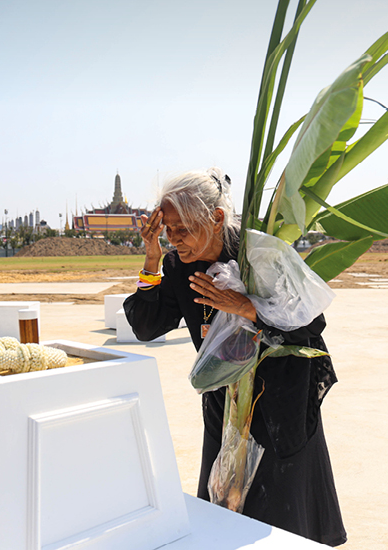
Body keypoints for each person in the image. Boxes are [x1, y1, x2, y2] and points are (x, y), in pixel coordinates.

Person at [124, 168, 346, 546]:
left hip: (280, 404)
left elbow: (312, 325)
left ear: (217, 218)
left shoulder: (259, 255)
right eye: (168, 230)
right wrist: (151, 261)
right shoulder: (179, 266)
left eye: (183, 228)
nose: (174, 239)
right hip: (224, 404)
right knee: (223, 506)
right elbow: (147, 327)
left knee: (283, 512)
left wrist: (246, 306)